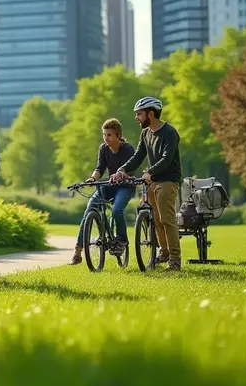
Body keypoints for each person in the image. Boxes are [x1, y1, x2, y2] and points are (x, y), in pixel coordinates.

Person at [111, 96, 184, 271]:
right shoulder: (146, 133)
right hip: (151, 181)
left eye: (139, 114)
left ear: (150, 114)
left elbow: (167, 159)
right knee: (156, 221)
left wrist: (150, 171)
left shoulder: (170, 132)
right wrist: (122, 170)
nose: (136, 118)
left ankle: (175, 260)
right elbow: (138, 156)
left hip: (167, 180)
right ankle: (164, 252)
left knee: (167, 219)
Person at [70, 118, 137, 265]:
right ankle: (77, 252)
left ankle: (121, 241)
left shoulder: (127, 149)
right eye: (104, 134)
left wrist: (121, 174)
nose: (106, 138)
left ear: (118, 135)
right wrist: (92, 178)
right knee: (89, 210)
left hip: (125, 186)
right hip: (109, 185)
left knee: (116, 210)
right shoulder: (103, 148)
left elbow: (131, 169)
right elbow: (100, 168)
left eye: (109, 135)